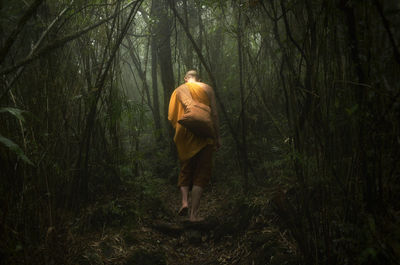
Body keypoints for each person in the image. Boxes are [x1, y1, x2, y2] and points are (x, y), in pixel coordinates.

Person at [168, 70, 220, 222]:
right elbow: (215, 114)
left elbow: (172, 116)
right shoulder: (207, 88)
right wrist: (217, 136)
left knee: (185, 169)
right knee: (201, 173)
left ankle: (184, 202)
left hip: (185, 132)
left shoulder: (179, 90)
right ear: (199, 78)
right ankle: (193, 215)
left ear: (186, 78)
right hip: (204, 134)